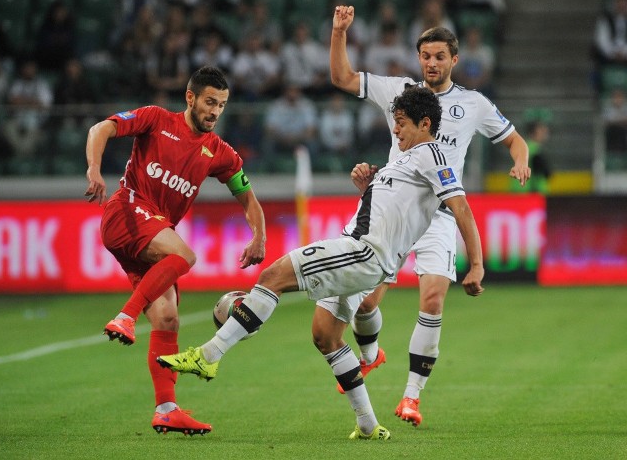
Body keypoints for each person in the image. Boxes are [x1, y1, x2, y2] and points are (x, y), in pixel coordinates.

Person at [156, 86, 485, 440]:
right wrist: (369, 188)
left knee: (273, 275)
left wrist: (477, 264)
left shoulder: (433, 155)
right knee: (325, 336)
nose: (395, 130)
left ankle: (209, 354)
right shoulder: (407, 158)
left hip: (362, 252)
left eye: (401, 123)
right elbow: (398, 208)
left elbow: (461, 208)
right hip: (366, 253)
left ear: (424, 123)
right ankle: (368, 425)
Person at [330, 6, 531, 427]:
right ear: (419, 58)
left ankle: (411, 398)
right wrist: (339, 32)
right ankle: (371, 354)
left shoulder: (473, 103)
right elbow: (343, 78)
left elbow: (516, 141)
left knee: (433, 299)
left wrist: (520, 162)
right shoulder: (399, 91)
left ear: (454, 60)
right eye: (426, 56)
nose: (432, 63)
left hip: (438, 214)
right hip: (394, 210)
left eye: (440, 56)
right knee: (365, 303)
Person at [84, 66, 267, 436]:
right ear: (191, 98)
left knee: (168, 318)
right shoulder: (155, 119)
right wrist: (93, 169)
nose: (215, 111)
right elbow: (99, 128)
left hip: (150, 236)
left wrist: (259, 235)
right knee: (185, 256)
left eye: (222, 105)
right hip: (125, 211)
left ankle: (166, 408)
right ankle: (126, 316)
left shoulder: (217, 151)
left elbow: (247, 196)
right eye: (210, 102)